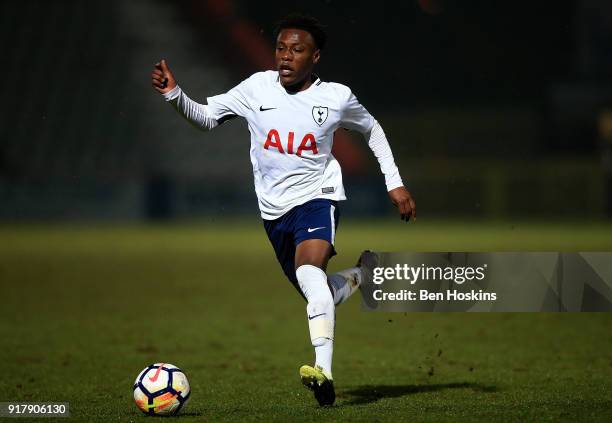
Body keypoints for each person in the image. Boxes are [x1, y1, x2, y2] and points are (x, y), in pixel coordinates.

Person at [151, 13, 416, 407]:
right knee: (319, 293)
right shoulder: (257, 88)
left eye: (297, 50)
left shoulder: (336, 97)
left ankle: (323, 371)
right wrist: (175, 95)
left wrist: (393, 180)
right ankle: (363, 275)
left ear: (315, 57)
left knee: (310, 272)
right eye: (280, 48)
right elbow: (207, 119)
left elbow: (371, 128)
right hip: (274, 213)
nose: (286, 57)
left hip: (317, 198)